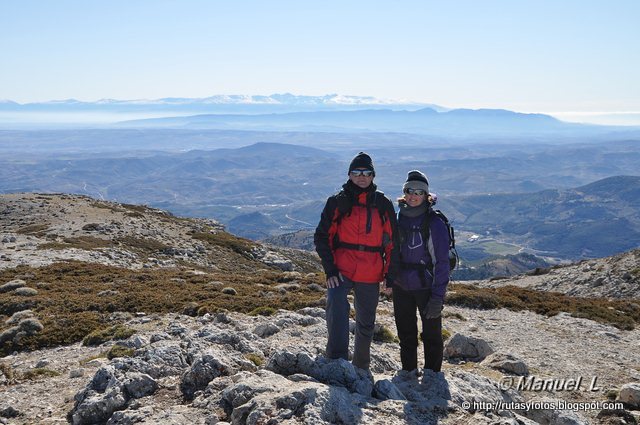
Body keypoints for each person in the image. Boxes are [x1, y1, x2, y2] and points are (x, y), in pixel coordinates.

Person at [314, 152, 398, 370]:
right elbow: (322, 236)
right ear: (349, 175)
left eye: (366, 173)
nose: (362, 177)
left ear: (373, 176)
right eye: (357, 172)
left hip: (371, 270)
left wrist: (390, 274)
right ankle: (337, 360)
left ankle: (361, 366)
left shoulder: (382, 203)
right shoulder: (337, 202)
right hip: (342, 268)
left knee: (366, 322)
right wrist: (330, 270)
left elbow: (393, 243)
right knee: (336, 304)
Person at [384, 170, 450, 373]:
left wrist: (438, 296)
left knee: (431, 336)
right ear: (404, 193)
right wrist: (389, 279)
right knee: (406, 334)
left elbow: (442, 263)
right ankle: (408, 372)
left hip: (427, 288)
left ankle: (432, 376)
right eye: (409, 191)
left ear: (426, 195)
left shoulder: (434, 223)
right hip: (401, 286)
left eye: (419, 192)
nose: (413, 195)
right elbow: (390, 252)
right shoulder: (397, 218)